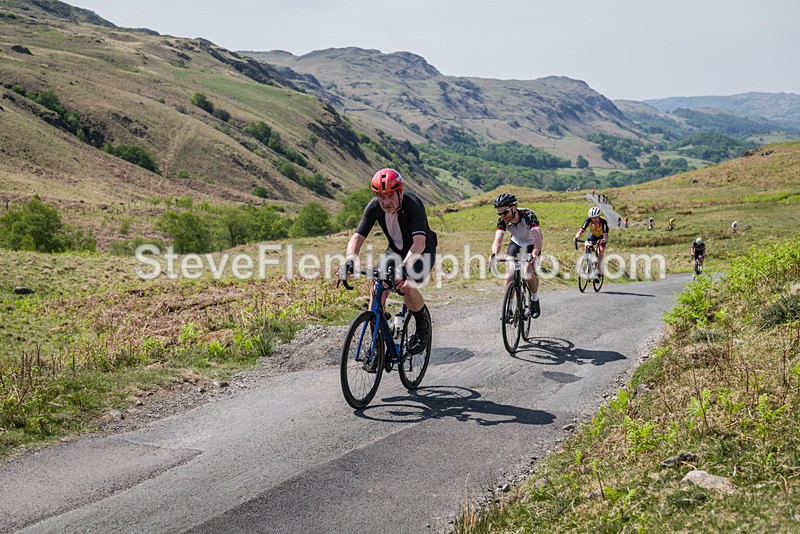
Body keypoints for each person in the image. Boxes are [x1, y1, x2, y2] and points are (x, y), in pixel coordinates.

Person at [344, 168, 437, 354]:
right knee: (377, 289)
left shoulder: (413, 205)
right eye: (381, 197)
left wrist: (404, 268)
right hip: (394, 251)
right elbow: (357, 238)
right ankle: (377, 346)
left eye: (390, 196)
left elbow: (419, 243)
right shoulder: (374, 207)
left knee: (405, 285)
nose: (385, 202)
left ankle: (422, 324)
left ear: (400, 192)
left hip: (422, 252)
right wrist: (349, 261)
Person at [489, 193, 543, 318]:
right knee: (510, 271)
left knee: (527, 270)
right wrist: (494, 254)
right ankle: (509, 306)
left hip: (532, 243)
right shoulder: (502, 221)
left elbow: (538, 239)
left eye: (505, 212)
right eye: (499, 213)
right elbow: (497, 241)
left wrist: (534, 254)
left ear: (514, 208)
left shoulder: (529, 215)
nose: (503, 216)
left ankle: (534, 300)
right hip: (517, 242)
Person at [575, 206, 609, 279]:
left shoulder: (604, 222)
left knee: (600, 252)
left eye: (596, 217)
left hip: (602, 237)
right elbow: (580, 231)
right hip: (593, 235)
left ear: (599, 216)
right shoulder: (588, 221)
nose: (594, 219)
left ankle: (599, 272)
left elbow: (606, 237)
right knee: (587, 246)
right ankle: (589, 264)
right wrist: (576, 237)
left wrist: (603, 240)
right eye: (592, 218)